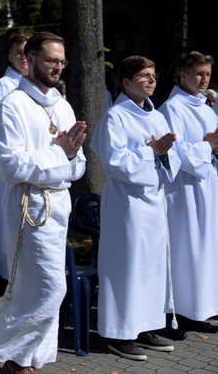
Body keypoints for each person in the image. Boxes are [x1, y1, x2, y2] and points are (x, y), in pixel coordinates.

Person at [0, 32, 87, 374]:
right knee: (50, 286)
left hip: (58, 204)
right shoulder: (13, 105)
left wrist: (62, 159)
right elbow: (11, 166)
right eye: (50, 60)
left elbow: (80, 164)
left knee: (35, 286)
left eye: (62, 61)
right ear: (29, 60)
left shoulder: (63, 105)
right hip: (29, 206)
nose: (58, 67)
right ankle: (11, 351)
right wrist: (59, 154)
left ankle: (31, 360)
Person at [92, 55, 180, 361]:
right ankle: (120, 333)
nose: (152, 80)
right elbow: (114, 164)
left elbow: (173, 158)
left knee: (151, 266)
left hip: (154, 204)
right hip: (126, 206)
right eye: (144, 76)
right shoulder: (115, 117)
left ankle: (146, 326)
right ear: (126, 82)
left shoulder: (157, 117)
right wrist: (151, 153)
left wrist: (163, 155)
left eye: (154, 75)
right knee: (127, 266)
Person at [159, 52, 218, 335]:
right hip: (183, 191)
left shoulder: (206, 108)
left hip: (207, 186)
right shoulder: (173, 108)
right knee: (187, 248)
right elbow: (178, 154)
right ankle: (179, 310)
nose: (204, 79)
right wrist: (209, 147)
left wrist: (213, 148)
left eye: (207, 74)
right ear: (182, 74)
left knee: (205, 249)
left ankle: (200, 309)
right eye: (198, 74)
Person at [0, 34, 28, 296]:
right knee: (4, 218)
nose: (24, 57)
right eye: (19, 53)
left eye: (27, 52)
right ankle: (2, 273)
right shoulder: (5, 85)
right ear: (10, 57)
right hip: (8, 164)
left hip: (29, 166)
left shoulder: (34, 84)